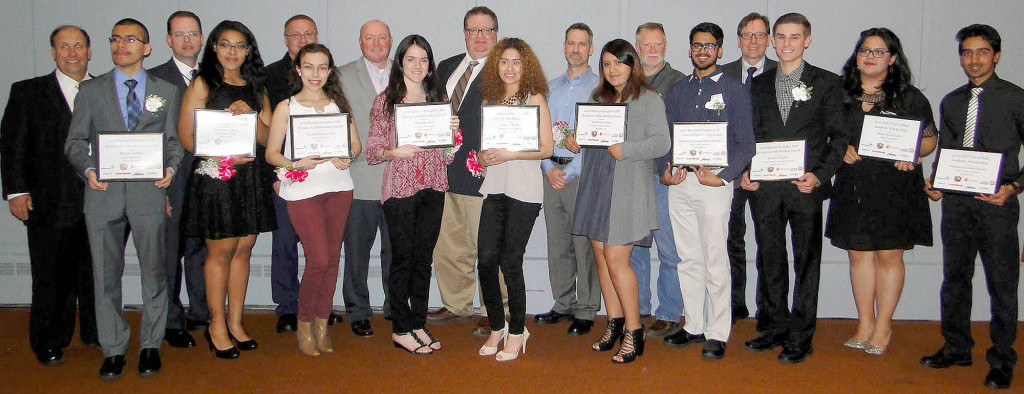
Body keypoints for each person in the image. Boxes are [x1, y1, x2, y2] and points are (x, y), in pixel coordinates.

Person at [64, 18, 183, 379]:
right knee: (104, 277)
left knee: (155, 274)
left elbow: (173, 142)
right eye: (115, 38)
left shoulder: (166, 90)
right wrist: (87, 169)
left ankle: (150, 345)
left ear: (146, 47)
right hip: (103, 195)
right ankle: (113, 347)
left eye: (131, 39)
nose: (122, 45)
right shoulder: (91, 90)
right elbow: (74, 142)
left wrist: (171, 170)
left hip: (148, 193)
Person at [920, 24, 1024, 390]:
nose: (973, 59)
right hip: (958, 204)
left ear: (996, 55)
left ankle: (1002, 359)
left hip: (998, 202)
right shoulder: (951, 100)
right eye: (966, 52)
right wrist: (935, 182)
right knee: (955, 278)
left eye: (981, 52)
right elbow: (947, 149)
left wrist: (1014, 187)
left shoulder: (1016, 98)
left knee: (1002, 283)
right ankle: (957, 346)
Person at [740, 13, 845, 364]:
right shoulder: (757, 84)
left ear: (807, 40)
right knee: (769, 257)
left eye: (794, 37)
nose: (786, 44)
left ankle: (801, 336)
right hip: (766, 187)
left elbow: (839, 139)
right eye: (781, 37)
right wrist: (745, 171)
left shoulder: (828, 83)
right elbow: (748, 134)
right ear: (772, 41)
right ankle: (773, 327)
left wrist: (819, 175)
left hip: (805, 187)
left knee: (806, 261)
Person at [826, 28, 936, 356]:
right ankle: (864, 323)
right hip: (853, 186)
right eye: (864, 50)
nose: (870, 56)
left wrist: (913, 152)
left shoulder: (909, 96)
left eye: (878, 51)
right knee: (858, 255)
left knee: (889, 255)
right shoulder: (839, 93)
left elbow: (930, 138)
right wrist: (838, 147)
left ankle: (884, 326)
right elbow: (823, 134)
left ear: (892, 58)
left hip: (895, 188)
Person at [1, 25, 98, 366]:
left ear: (89, 51)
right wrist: (16, 191)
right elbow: (12, 145)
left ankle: (95, 331)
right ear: (53, 52)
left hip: (99, 201)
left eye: (79, 46)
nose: (72, 53)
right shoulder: (28, 92)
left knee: (96, 271)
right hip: (48, 201)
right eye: (64, 46)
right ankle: (49, 338)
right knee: (50, 275)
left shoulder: (106, 90)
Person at [178, 20, 274, 360]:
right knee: (220, 251)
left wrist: (253, 115)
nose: (232, 51)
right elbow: (188, 138)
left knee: (244, 249)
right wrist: (220, 153)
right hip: (217, 177)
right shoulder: (203, 83)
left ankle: (236, 321)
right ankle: (216, 324)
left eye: (240, 45)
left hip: (249, 178)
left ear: (249, 51)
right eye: (225, 44)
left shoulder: (256, 86)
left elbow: (266, 139)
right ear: (214, 48)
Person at [658, 22, 755, 360]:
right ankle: (694, 324)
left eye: (709, 45)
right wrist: (664, 172)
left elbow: (746, 144)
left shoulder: (734, 90)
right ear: (689, 50)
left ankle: (717, 331)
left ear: (720, 50)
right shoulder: (677, 91)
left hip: (713, 183)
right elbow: (665, 140)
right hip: (680, 182)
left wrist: (725, 177)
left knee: (714, 259)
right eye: (697, 45)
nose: (702, 51)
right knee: (688, 258)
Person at [571, 38, 670, 364]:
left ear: (632, 64)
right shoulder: (596, 97)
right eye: (607, 64)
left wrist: (626, 149)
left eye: (619, 62)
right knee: (601, 256)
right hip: (597, 184)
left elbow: (661, 142)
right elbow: (589, 136)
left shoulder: (648, 98)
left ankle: (634, 331)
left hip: (627, 189)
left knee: (617, 259)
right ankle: (613, 322)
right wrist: (575, 139)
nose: (613, 70)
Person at [365, 34, 458, 355]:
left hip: (434, 186)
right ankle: (401, 328)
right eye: (411, 59)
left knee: (423, 260)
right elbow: (372, 151)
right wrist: (395, 152)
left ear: (430, 65)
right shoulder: (386, 101)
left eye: (423, 60)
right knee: (401, 260)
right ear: (400, 63)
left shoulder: (439, 98)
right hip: (401, 189)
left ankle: (418, 321)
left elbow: (446, 155)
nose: (417, 66)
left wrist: (451, 133)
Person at [266, 43, 360, 357]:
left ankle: (322, 323)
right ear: (298, 69)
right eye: (309, 66)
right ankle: (304, 323)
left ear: (329, 70)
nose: (315, 74)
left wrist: (346, 157)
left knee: (332, 261)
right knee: (318, 260)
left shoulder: (337, 104)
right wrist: (294, 163)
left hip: (338, 188)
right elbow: (271, 153)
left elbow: (355, 146)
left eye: (322, 67)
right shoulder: (286, 107)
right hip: (303, 191)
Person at [428, 6, 508, 338]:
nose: (479, 37)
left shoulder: (505, 69)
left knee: (489, 247)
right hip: (445, 172)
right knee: (448, 245)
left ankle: (494, 309)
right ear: (464, 33)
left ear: (496, 34)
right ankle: (457, 303)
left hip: (485, 172)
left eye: (486, 30)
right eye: (473, 30)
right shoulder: (446, 67)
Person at [475, 38, 554, 361]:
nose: (509, 68)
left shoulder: (535, 98)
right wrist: (483, 156)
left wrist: (509, 154)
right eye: (504, 62)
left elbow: (547, 149)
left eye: (516, 62)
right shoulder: (489, 101)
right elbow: (484, 151)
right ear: (497, 65)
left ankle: (518, 331)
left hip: (524, 191)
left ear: (526, 66)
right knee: (485, 260)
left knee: (510, 261)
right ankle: (497, 326)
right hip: (494, 188)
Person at [262, 15, 342, 333]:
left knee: (321, 250)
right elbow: (265, 136)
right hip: (286, 177)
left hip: (327, 181)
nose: (301, 39)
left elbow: (346, 134)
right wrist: (275, 175)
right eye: (295, 35)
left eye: (308, 33)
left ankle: (317, 307)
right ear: (285, 39)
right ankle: (286, 306)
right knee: (285, 244)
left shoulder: (331, 88)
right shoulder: (268, 77)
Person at [533, 22, 600, 336]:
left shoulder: (601, 90)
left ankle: (586, 309)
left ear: (590, 49)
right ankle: (563, 304)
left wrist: (570, 171)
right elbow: (537, 133)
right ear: (564, 47)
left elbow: (601, 141)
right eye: (571, 43)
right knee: (557, 244)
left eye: (582, 44)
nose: (576, 49)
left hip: (582, 177)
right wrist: (547, 167)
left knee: (583, 246)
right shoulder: (548, 88)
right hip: (551, 175)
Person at [148, 10, 206, 348]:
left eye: (193, 34)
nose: (187, 40)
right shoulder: (153, 80)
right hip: (169, 181)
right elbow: (146, 137)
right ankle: (171, 321)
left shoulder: (213, 77)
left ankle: (200, 312)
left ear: (201, 39)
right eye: (179, 34)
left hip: (208, 179)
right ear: (169, 40)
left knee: (200, 250)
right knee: (169, 254)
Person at [719, 12, 778, 327]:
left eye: (759, 34)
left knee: (769, 242)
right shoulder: (721, 74)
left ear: (768, 39)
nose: (753, 41)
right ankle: (733, 304)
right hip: (729, 170)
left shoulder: (783, 73)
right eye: (747, 34)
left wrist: (755, 168)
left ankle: (768, 311)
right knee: (731, 240)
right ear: (738, 39)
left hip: (768, 174)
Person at [337, 19, 394, 338]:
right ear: (360, 42)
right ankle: (358, 311)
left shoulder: (406, 74)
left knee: (396, 251)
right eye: (369, 38)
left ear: (390, 41)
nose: (376, 43)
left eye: (382, 37)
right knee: (357, 251)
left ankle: (394, 305)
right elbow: (335, 121)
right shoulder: (342, 75)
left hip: (399, 180)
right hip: (359, 177)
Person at [630, 22, 685, 337]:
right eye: (645, 44)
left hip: (662, 179)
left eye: (657, 44)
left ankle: (668, 312)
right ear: (638, 47)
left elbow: (682, 131)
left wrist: (671, 167)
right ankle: (638, 308)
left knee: (668, 249)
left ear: (665, 46)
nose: (651, 50)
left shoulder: (678, 82)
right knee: (636, 248)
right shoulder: (626, 80)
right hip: (632, 177)